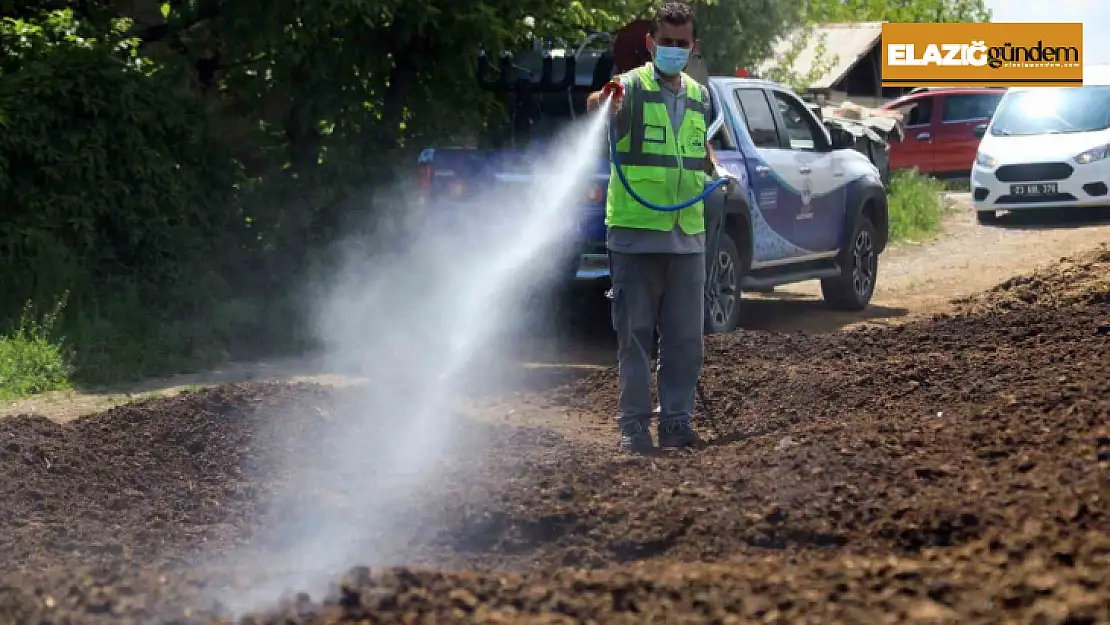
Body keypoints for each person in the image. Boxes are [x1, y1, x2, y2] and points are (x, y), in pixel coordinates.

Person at [586, 1, 735, 452]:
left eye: (681, 43)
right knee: (634, 339)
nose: (673, 49)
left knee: (686, 341)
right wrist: (604, 100)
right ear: (651, 44)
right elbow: (595, 104)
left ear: (693, 47)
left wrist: (717, 170)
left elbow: (698, 150)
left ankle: (676, 423)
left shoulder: (699, 96)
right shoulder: (629, 88)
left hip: (687, 238)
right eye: (665, 43)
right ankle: (634, 426)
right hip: (635, 236)